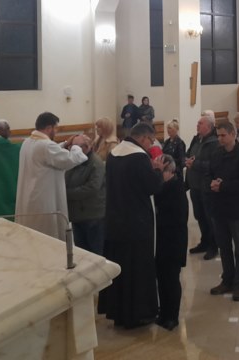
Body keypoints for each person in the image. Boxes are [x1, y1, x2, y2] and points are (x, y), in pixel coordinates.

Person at [98, 122, 164, 329]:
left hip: (115, 221)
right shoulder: (139, 157)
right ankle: (138, 314)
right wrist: (158, 171)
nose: (151, 144)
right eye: (151, 140)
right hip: (136, 224)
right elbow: (152, 187)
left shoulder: (114, 154)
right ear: (143, 138)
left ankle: (118, 313)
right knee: (137, 270)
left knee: (120, 269)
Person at [14, 113, 89, 240]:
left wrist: (65, 144)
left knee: (31, 235)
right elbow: (69, 159)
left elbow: (48, 154)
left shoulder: (28, 142)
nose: (56, 131)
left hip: (30, 198)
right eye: (56, 128)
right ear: (49, 128)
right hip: (43, 201)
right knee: (46, 236)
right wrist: (76, 146)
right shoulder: (46, 145)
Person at [207, 121, 239, 302]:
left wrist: (223, 186)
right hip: (219, 207)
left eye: (223, 135)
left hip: (236, 208)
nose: (220, 139)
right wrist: (212, 183)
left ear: (233, 135)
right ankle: (227, 279)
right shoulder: (216, 153)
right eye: (218, 135)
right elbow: (209, 173)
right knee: (224, 246)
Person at [154, 155, 188, 331]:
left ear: (170, 171)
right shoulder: (162, 187)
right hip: (162, 240)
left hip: (173, 241)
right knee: (161, 277)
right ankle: (163, 312)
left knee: (172, 279)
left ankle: (172, 316)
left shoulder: (176, 188)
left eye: (162, 171)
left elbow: (178, 217)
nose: (159, 175)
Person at [186, 115, 220, 259]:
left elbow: (214, 165)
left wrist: (195, 164)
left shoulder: (214, 143)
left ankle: (213, 246)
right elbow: (188, 154)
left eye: (200, 123)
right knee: (199, 215)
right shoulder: (196, 139)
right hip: (195, 184)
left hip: (206, 186)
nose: (197, 125)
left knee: (209, 217)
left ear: (209, 127)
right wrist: (187, 160)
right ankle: (204, 242)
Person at [65, 139, 106, 255]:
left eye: (75, 148)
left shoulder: (96, 163)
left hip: (92, 215)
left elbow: (92, 188)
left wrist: (67, 193)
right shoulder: (74, 161)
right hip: (77, 215)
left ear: (86, 147)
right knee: (81, 253)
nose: (72, 150)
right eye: (71, 147)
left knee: (95, 253)